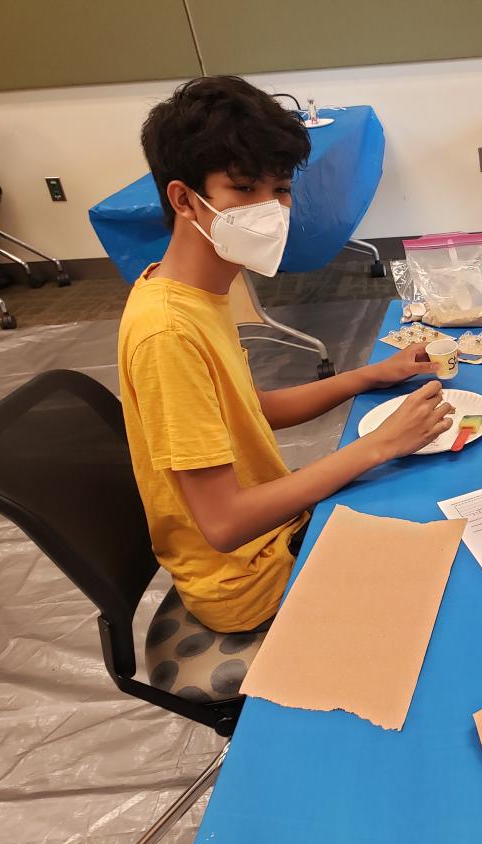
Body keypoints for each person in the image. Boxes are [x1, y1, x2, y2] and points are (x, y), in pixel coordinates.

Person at [118, 76, 451, 633]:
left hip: (274, 537)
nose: (270, 209)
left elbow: (252, 409)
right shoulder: (167, 333)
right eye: (245, 189)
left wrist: (369, 376)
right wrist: (377, 445)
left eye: (280, 190)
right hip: (249, 581)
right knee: (447, 566)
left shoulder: (199, 291)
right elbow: (223, 524)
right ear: (184, 199)